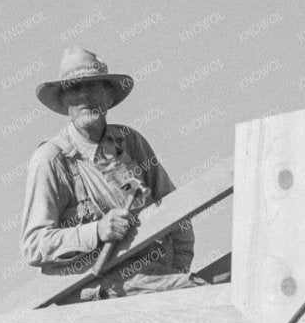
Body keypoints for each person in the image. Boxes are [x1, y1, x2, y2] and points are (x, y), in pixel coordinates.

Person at [21, 46, 197, 295]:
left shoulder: (130, 142)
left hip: (156, 281)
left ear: (109, 95)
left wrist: (178, 270)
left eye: (92, 86)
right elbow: (34, 245)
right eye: (74, 88)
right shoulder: (51, 159)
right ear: (63, 101)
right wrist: (97, 230)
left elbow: (176, 213)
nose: (84, 96)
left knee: (215, 286)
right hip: (99, 289)